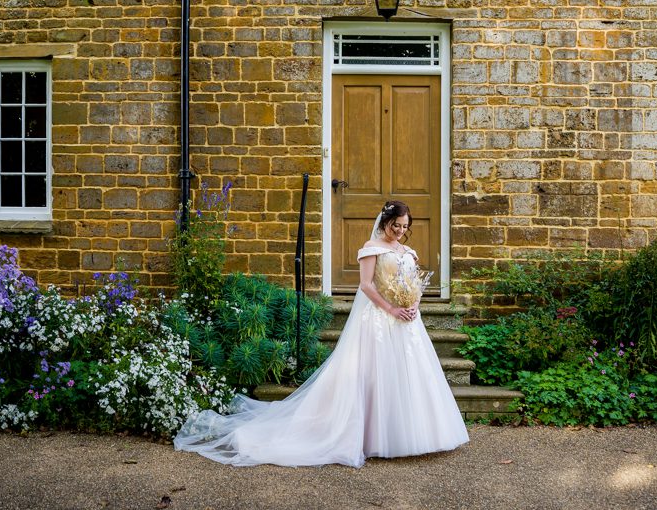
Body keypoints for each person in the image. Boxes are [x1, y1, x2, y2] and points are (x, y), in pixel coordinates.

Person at [173, 199, 469, 467]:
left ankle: (411, 433)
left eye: (405, 227)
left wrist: (412, 305)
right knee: (373, 375)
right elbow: (366, 286)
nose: (400, 232)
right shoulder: (372, 248)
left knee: (409, 375)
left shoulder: (408, 251)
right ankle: (372, 437)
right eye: (396, 226)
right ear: (385, 222)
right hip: (379, 318)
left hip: (407, 322)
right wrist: (391, 309)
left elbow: (414, 283)